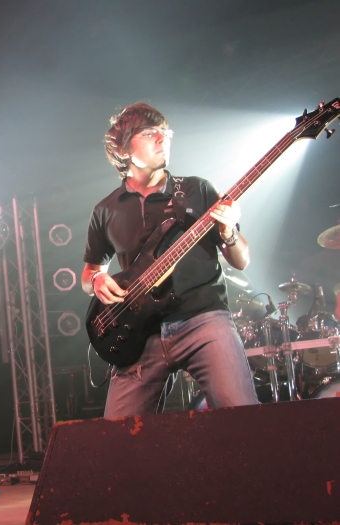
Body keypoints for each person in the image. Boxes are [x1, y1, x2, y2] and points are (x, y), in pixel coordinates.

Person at [81, 102, 258, 418]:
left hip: (203, 319)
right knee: (116, 437)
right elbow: (89, 273)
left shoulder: (196, 189)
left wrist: (229, 232)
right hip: (140, 333)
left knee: (240, 417)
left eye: (166, 133)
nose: (163, 139)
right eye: (151, 133)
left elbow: (241, 261)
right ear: (123, 147)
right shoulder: (105, 210)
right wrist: (96, 280)